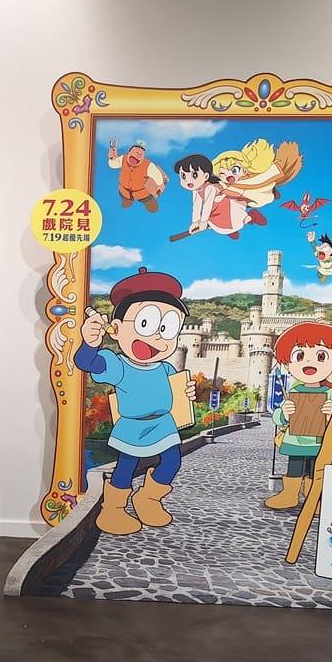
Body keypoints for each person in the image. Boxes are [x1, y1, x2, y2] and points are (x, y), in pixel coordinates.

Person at [76, 268, 194, 535]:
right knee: (126, 467)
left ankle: (148, 499)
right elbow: (86, 362)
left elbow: (175, 390)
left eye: (167, 329)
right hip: (132, 426)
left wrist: (186, 392)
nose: (157, 337)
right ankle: (114, 509)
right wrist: (90, 343)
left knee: (172, 462)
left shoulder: (165, 368)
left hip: (163, 425)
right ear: (117, 329)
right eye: (146, 324)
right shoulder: (119, 366)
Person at [266, 322, 332, 509]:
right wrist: (284, 413)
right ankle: (290, 495)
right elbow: (277, 418)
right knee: (294, 469)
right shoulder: (293, 391)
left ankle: (313, 501)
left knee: (314, 471)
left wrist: (331, 414)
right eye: (300, 355)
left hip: (318, 442)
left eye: (321, 356)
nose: (309, 363)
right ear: (288, 363)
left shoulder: (330, 393)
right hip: (295, 441)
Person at [172, 154, 250, 240]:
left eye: (194, 175)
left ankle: (248, 218)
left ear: (206, 176)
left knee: (234, 219)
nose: (188, 181)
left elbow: (207, 205)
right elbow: (197, 205)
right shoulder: (196, 190)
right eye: (183, 176)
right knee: (217, 223)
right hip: (214, 210)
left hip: (226, 206)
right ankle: (231, 230)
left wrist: (203, 222)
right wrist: (195, 222)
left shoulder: (210, 188)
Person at [108, 139, 166, 211]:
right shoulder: (123, 159)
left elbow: (157, 176)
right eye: (136, 150)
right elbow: (113, 165)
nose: (138, 153)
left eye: (141, 152)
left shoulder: (148, 165)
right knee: (125, 198)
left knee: (149, 202)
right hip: (124, 190)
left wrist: (159, 184)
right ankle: (127, 200)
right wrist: (112, 158)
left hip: (141, 192)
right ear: (129, 152)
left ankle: (149, 202)